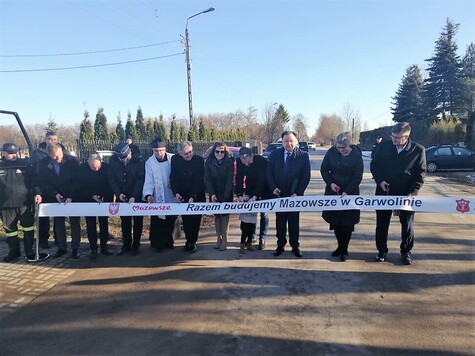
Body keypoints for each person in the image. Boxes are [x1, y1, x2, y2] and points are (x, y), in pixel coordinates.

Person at [370, 122, 426, 265]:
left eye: (397, 137)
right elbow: (374, 165)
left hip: (406, 194)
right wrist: (380, 181)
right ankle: (382, 250)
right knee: (382, 224)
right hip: (385, 192)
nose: (394, 139)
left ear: (406, 137)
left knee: (407, 225)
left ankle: (406, 252)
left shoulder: (418, 150)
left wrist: (413, 191)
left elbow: (420, 174)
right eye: (393, 136)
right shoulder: (384, 146)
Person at [266, 131, 311, 258]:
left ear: (296, 141)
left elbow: (306, 176)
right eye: (286, 141)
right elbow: (269, 173)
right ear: (282, 142)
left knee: (293, 222)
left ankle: (295, 246)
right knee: (280, 222)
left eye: (291, 141)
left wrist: (298, 192)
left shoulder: (303, 156)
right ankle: (280, 245)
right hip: (279, 194)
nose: (289, 143)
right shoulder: (275, 155)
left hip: (294, 196)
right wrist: (273, 188)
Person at [320, 132, 363, 261]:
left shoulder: (356, 155)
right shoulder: (331, 153)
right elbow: (324, 170)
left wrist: (348, 191)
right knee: (336, 222)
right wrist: (331, 183)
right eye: (338, 148)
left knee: (347, 224)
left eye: (343, 148)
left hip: (350, 193)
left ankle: (344, 249)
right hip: (333, 192)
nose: (340, 150)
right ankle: (340, 246)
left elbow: (358, 176)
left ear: (348, 145)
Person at [35, 142, 81, 258]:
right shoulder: (43, 164)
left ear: (61, 151)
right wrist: (55, 194)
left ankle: (75, 248)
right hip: (56, 198)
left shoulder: (73, 161)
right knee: (59, 223)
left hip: (72, 197)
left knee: (74, 223)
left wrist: (71, 196)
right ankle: (62, 247)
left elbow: (77, 181)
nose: (57, 158)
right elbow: (43, 182)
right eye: (53, 157)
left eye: (58, 155)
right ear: (49, 155)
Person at [30, 131, 69, 249]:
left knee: (59, 218)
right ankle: (43, 240)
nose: (52, 141)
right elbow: (37, 177)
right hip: (46, 191)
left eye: (55, 139)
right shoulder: (38, 154)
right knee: (44, 218)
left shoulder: (63, 151)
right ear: (45, 140)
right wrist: (38, 192)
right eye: (50, 139)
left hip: (61, 191)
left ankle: (59, 239)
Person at [0, 143, 36, 262]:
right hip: (6, 204)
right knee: (10, 231)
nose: (14, 155)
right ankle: (14, 251)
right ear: (4, 153)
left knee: (28, 228)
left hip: (24, 202)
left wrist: (36, 193)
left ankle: (29, 251)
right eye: (10, 153)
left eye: (15, 152)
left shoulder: (25, 164)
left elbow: (34, 181)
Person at [108, 142, 145, 256]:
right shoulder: (113, 161)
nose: (124, 161)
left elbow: (140, 179)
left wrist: (134, 195)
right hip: (122, 195)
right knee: (125, 221)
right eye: (121, 158)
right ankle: (126, 244)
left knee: (137, 221)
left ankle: (136, 245)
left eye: (125, 158)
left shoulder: (139, 161)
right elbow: (112, 179)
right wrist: (118, 194)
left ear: (129, 152)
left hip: (136, 195)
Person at [142, 138, 177, 252]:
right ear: (153, 151)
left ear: (165, 149)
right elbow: (149, 180)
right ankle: (158, 243)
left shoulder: (173, 158)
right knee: (159, 219)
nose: (159, 153)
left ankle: (170, 241)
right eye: (156, 150)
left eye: (161, 150)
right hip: (158, 194)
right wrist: (148, 195)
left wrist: (176, 184)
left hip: (171, 194)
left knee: (172, 218)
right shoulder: (149, 162)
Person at [170, 141, 205, 253]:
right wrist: (176, 193)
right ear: (180, 153)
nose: (189, 155)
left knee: (195, 220)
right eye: (186, 154)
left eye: (190, 152)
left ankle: (193, 242)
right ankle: (188, 241)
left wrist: (193, 196)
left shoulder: (199, 160)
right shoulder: (175, 160)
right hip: (183, 195)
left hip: (197, 194)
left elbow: (199, 180)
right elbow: (173, 177)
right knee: (186, 220)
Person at [235, 147, 272, 251]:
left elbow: (262, 180)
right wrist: (240, 194)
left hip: (264, 189)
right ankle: (252, 236)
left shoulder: (261, 161)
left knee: (264, 214)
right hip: (250, 188)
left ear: (251, 156)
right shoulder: (240, 162)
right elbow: (239, 178)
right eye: (243, 162)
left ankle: (262, 238)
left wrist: (256, 196)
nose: (246, 164)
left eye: (247, 161)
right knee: (252, 213)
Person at [78, 154, 114, 260]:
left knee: (104, 224)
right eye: (94, 167)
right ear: (88, 163)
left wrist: (105, 198)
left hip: (104, 199)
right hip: (89, 200)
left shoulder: (107, 168)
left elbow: (110, 184)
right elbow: (80, 186)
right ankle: (93, 248)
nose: (97, 169)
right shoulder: (82, 169)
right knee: (90, 225)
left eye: (98, 167)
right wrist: (92, 196)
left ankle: (104, 246)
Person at [204, 142, 234, 251]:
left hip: (226, 192)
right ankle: (218, 238)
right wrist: (212, 194)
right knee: (217, 216)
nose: (219, 153)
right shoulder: (209, 162)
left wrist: (226, 196)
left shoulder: (230, 162)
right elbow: (207, 179)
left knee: (224, 216)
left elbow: (229, 180)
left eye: (222, 151)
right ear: (214, 151)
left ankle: (225, 238)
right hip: (214, 192)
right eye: (217, 151)